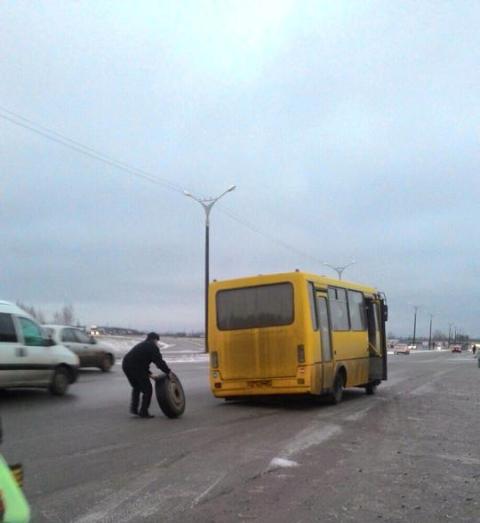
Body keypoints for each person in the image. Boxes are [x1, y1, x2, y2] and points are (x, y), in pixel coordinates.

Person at [122, 332, 173, 418]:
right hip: (135, 367)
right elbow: (159, 362)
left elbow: (140, 361)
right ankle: (143, 411)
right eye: (157, 341)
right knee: (147, 389)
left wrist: (149, 374)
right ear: (155, 340)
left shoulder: (142, 345)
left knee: (137, 387)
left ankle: (134, 409)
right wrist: (168, 372)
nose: (157, 343)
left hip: (126, 365)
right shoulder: (152, 347)